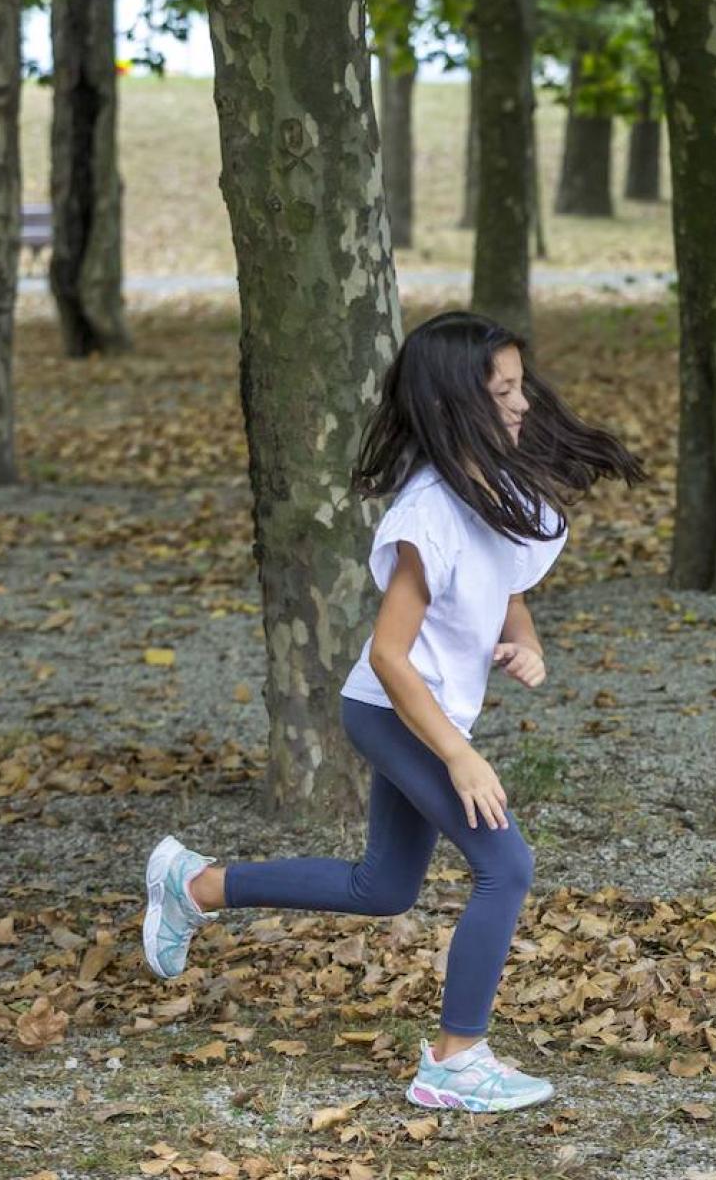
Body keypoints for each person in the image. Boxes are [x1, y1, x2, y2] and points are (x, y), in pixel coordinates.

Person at [138, 310, 645, 1113]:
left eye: (520, 386)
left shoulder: (494, 483)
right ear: (457, 406)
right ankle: (455, 1060)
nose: (521, 405)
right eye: (503, 392)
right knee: (505, 867)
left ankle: (194, 886)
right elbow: (387, 654)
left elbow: (504, 579)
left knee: (382, 887)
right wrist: (458, 755)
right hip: (393, 712)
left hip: (425, 714)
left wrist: (525, 641)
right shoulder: (426, 515)